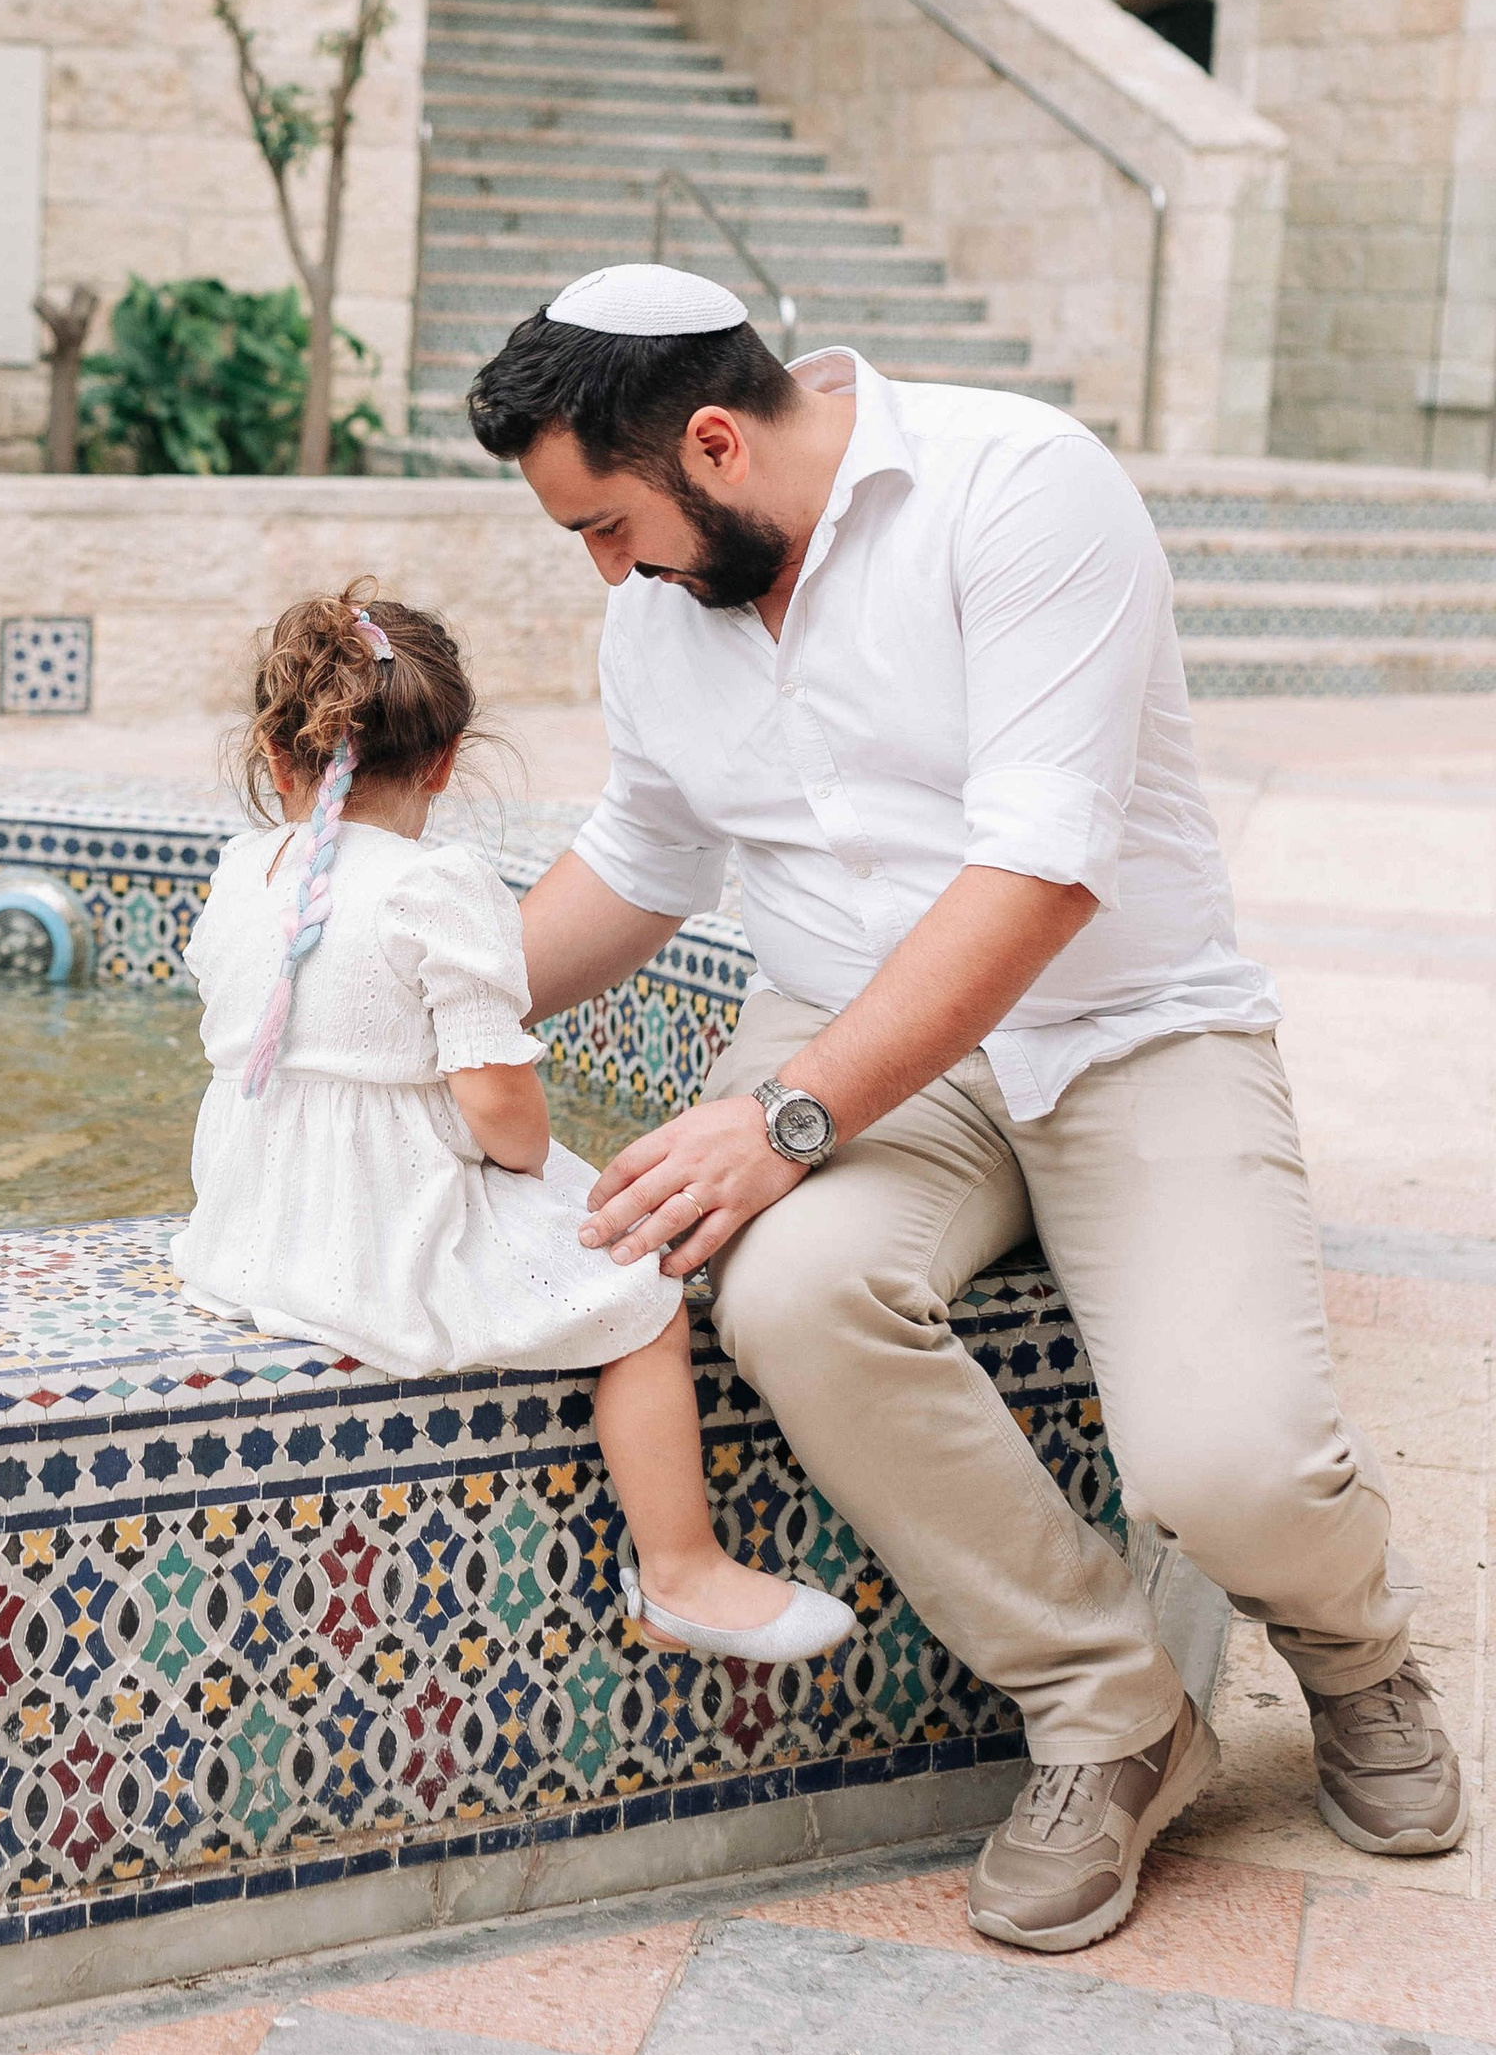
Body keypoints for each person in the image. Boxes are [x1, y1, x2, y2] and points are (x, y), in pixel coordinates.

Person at [468, 261, 1465, 1952]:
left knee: (1232, 1468)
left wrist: (780, 1114)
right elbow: (640, 862)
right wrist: (407, 1003)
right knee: (788, 1292)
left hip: (1128, 1028)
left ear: (714, 441)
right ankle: (1113, 1712)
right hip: (856, 1036)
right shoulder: (663, 617)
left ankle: (1355, 1648)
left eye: (606, 523)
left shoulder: (1020, 490)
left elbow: (1040, 872)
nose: (604, 567)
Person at [172, 582, 853, 1663]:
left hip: (254, 1220)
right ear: (446, 761)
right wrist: (527, 1163)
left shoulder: (241, 871)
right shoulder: (436, 887)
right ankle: (682, 1574)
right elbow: (501, 1112)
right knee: (640, 1291)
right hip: (383, 1234)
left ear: (271, 747)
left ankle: (686, 1575)